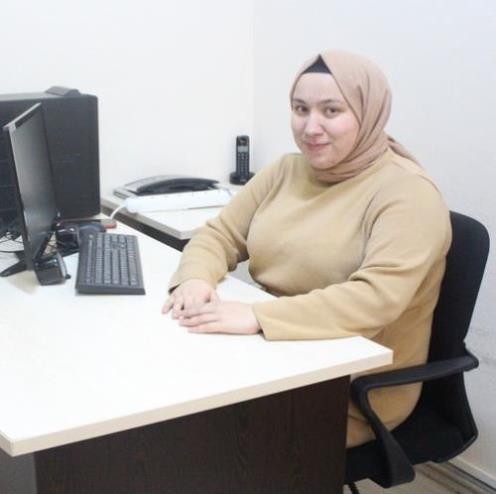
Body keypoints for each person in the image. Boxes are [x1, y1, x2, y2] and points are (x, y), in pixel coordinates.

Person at [162, 50, 451, 447]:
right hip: (275, 352)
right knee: (165, 391)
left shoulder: (408, 193)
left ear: (369, 113)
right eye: (301, 109)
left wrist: (259, 316)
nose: (311, 127)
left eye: (331, 110)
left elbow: (375, 299)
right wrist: (195, 279)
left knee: (188, 433)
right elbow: (220, 234)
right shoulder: (287, 170)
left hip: (349, 389)